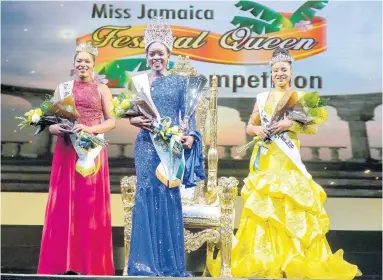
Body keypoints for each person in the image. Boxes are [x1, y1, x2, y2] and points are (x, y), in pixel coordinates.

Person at [207, 48, 361, 279]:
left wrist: (288, 124)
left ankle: (293, 259)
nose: (279, 73)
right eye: (276, 70)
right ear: (271, 73)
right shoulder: (262, 97)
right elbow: (249, 126)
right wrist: (258, 129)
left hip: (288, 158)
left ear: (290, 72)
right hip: (266, 156)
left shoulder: (299, 98)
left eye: (283, 70)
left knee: (291, 203)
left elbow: (311, 128)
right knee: (265, 207)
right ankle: (267, 260)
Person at [126, 17, 205, 276]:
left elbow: (189, 116)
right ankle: (144, 264)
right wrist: (138, 121)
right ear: (146, 56)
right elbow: (130, 115)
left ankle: (169, 264)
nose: (156, 57)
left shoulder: (180, 82)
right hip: (146, 148)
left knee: (167, 195)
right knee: (146, 195)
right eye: (151, 54)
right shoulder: (138, 83)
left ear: (169, 55)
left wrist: (191, 136)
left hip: (169, 148)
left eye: (160, 53)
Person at [37, 42, 116, 275]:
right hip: (67, 151)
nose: (83, 64)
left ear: (93, 65)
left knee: (89, 206)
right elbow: (49, 122)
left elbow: (111, 121)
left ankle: (89, 264)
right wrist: (55, 130)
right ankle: (63, 263)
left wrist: (90, 130)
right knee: (65, 203)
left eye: (87, 61)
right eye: (79, 61)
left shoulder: (102, 89)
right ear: (74, 65)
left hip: (91, 152)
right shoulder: (62, 88)